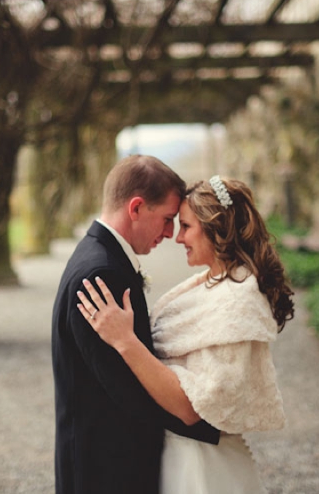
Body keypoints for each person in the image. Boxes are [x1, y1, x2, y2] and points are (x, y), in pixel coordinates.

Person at [77, 175, 295, 493]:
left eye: (186, 227)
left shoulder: (240, 299)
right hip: (177, 452)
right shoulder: (212, 281)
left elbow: (193, 408)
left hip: (202, 464)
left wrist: (124, 341)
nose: (177, 238)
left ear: (217, 228)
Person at [51, 155, 220, 494]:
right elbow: (127, 389)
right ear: (137, 208)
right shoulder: (101, 274)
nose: (171, 234)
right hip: (106, 470)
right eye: (168, 219)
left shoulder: (102, 256)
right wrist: (206, 420)